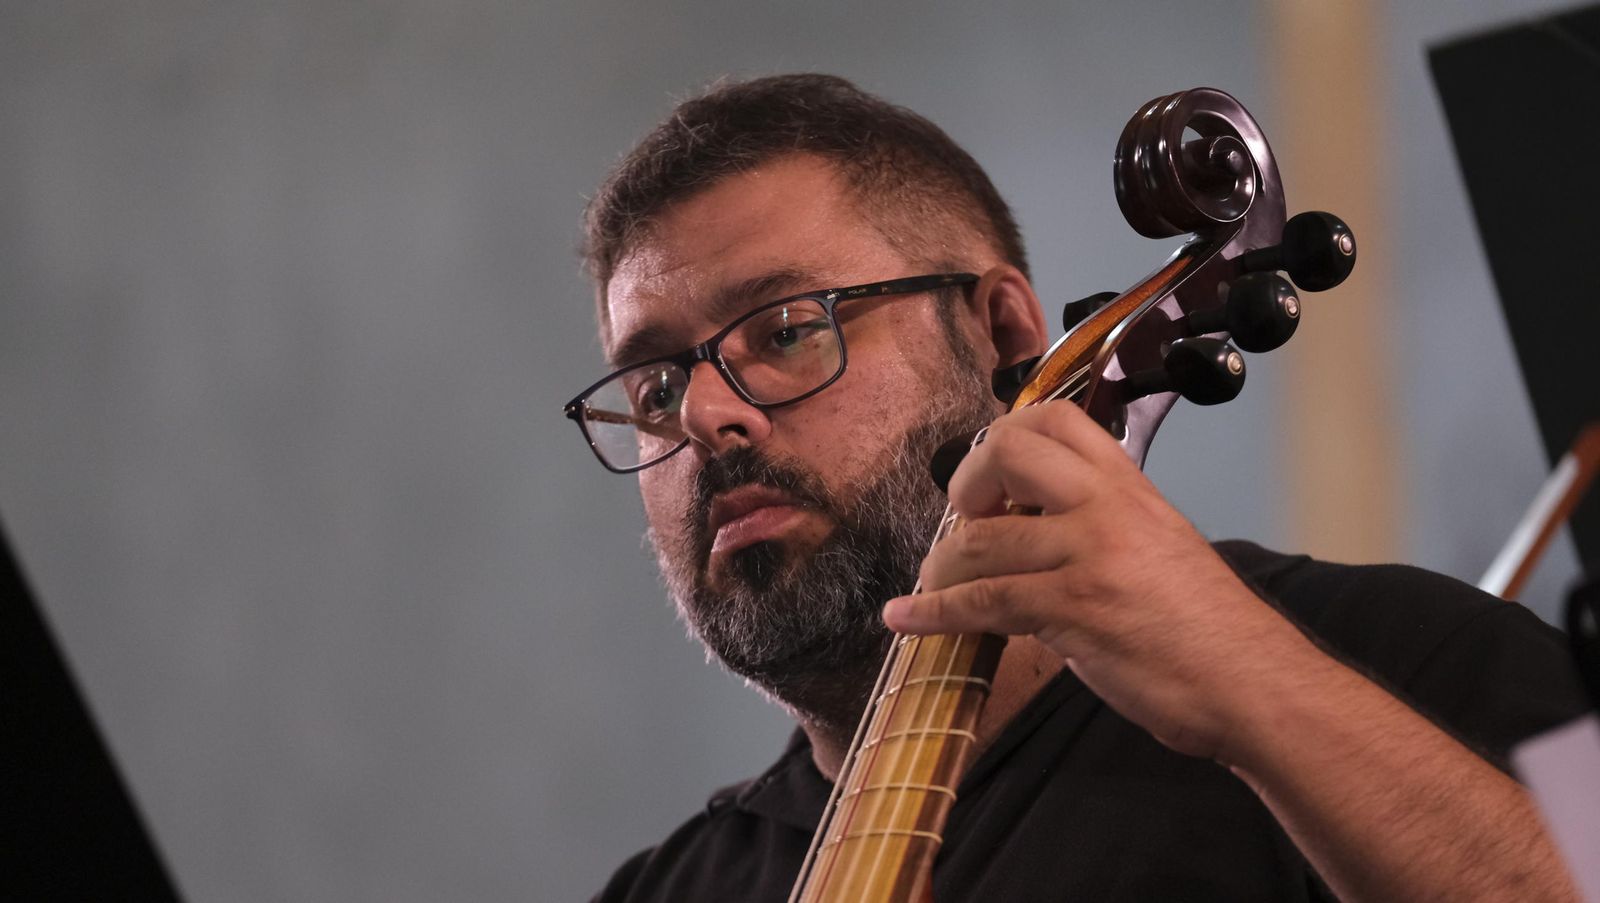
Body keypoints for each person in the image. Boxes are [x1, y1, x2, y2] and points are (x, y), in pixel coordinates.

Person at [567, 74, 1588, 901]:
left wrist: (1253, 684)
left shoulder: (1430, 649)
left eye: (786, 329)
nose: (705, 415)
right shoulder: (667, 889)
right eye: (654, 385)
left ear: (1001, 330)